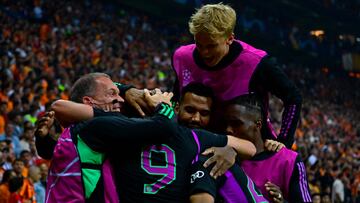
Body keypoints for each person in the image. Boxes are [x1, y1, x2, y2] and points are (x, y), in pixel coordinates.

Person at [49, 84, 256, 203]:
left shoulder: (126, 126)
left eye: (204, 114)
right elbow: (250, 147)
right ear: (174, 107)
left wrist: (228, 151)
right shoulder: (193, 137)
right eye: (190, 110)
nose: (195, 119)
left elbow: (67, 110)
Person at [155, 3, 300, 149]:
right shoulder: (183, 57)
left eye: (211, 46)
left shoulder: (256, 62)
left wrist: (284, 141)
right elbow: (177, 97)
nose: (204, 52)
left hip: (248, 150)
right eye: (199, 44)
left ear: (230, 38)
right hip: (198, 143)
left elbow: (293, 97)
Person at [35, 72, 177, 202]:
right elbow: (163, 127)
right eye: (112, 94)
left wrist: (43, 139)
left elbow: (49, 152)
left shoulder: (74, 132)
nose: (121, 99)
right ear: (88, 102)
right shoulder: (98, 126)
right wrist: (163, 105)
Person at [189, 94, 312, 203]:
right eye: (226, 124)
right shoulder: (218, 156)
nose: (228, 130)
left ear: (258, 124)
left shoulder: (288, 160)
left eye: (236, 124)